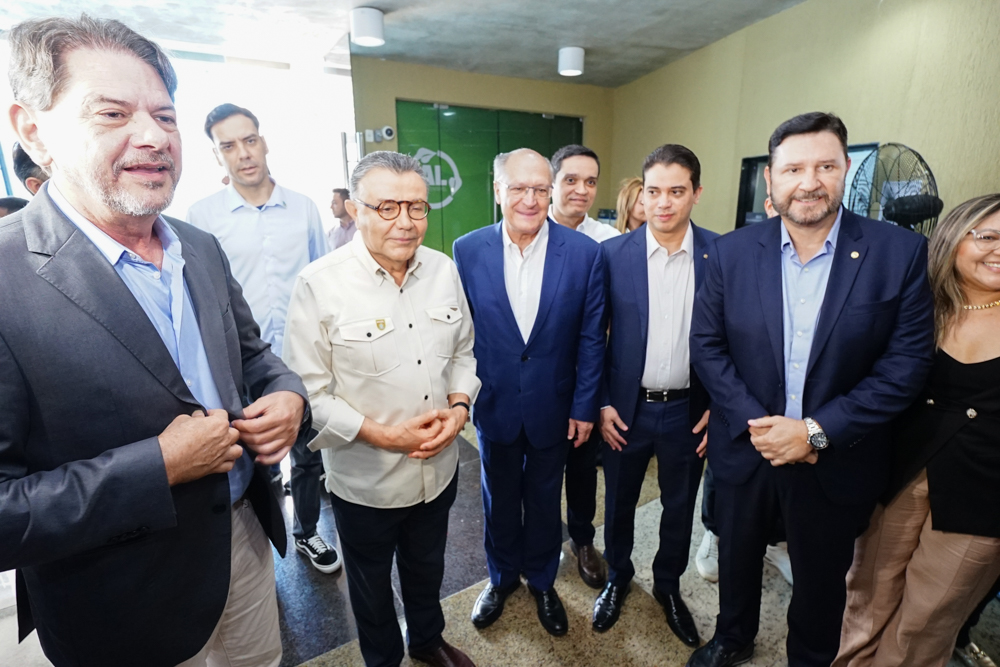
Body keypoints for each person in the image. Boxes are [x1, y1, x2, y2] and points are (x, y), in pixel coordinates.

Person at [2, 16, 308, 667]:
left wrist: (288, 396)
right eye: (112, 113)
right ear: (34, 131)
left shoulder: (199, 246)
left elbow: (253, 357)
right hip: (120, 598)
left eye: (165, 117)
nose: (153, 137)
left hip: (246, 542)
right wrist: (160, 465)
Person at [688, 111, 935, 667]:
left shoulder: (897, 254)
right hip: (747, 448)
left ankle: (811, 657)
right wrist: (760, 426)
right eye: (793, 168)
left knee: (822, 580)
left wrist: (814, 432)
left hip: (836, 455)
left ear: (845, 168)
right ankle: (732, 637)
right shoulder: (730, 253)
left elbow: (905, 366)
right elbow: (706, 346)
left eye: (825, 166)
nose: (809, 182)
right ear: (770, 179)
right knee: (737, 557)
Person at [283, 151, 480, 667]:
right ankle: (383, 659)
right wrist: (384, 435)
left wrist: (459, 408)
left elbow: (464, 352)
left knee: (427, 567)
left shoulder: (443, 270)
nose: (405, 222)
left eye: (417, 207)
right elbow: (308, 394)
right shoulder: (319, 284)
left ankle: (427, 640)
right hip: (366, 481)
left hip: (437, 471)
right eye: (387, 207)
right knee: (370, 585)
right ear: (355, 209)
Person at [835, 194, 1000, 667]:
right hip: (898, 474)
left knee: (926, 622)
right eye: (987, 236)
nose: (998, 251)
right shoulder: (917, 304)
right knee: (866, 597)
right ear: (953, 238)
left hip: (983, 498)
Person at [455, 148, 606, 637]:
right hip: (494, 402)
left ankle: (542, 581)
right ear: (498, 190)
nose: (530, 199)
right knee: (497, 498)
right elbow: (460, 334)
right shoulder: (467, 250)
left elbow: (591, 338)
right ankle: (500, 578)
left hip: (554, 405)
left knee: (544, 499)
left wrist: (584, 405)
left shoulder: (583, 254)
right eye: (519, 188)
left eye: (540, 189)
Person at [187, 104, 339, 575]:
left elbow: (324, 281)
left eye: (249, 140)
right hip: (242, 364)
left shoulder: (303, 208)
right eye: (228, 145)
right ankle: (262, 547)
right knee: (258, 462)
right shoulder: (202, 216)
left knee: (309, 455)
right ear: (217, 156)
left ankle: (307, 532)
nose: (243, 153)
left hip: (302, 358)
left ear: (264, 141)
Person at [595, 144, 715, 643]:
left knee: (679, 507)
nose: (663, 203)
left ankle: (668, 586)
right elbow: (593, 337)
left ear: (696, 193)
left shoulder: (719, 254)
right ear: (641, 194)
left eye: (676, 191)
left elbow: (737, 338)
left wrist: (719, 407)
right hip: (626, 410)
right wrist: (602, 402)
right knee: (619, 502)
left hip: (689, 410)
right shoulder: (612, 255)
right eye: (653, 191)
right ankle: (617, 578)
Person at [695, 194, 793, 588]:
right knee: (724, 478)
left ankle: (777, 542)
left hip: (798, 415)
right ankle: (714, 532)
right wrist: (746, 414)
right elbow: (708, 342)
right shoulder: (733, 254)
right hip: (737, 404)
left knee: (785, 486)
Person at [548, 143, 617, 589]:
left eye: (590, 181)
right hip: (539, 378)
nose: (581, 189)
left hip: (588, 376)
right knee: (535, 470)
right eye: (570, 180)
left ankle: (583, 539)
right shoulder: (528, 230)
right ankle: (538, 540)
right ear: (552, 183)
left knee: (581, 467)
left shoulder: (609, 241)